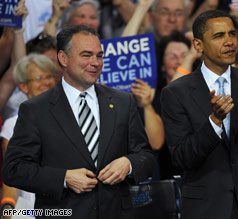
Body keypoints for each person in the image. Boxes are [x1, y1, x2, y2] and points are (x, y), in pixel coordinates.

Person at [2, 25, 156, 219]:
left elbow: (147, 157)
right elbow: (13, 169)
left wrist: (129, 163)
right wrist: (64, 178)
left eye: (99, 56)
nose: (95, 62)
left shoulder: (123, 102)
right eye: (86, 55)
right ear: (63, 58)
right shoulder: (35, 110)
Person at [160, 9, 238, 219]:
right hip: (206, 209)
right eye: (219, 36)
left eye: (232, 34)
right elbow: (181, 158)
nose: (229, 42)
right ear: (198, 45)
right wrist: (214, 122)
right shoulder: (175, 93)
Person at [0, 54, 56, 216]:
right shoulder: (13, 125)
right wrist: (8, 208)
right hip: (30, 209)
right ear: (24, 87)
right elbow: (12, 174)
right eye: (39, 78)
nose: (46, 82)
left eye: (49, 76)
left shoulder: (70, 117)